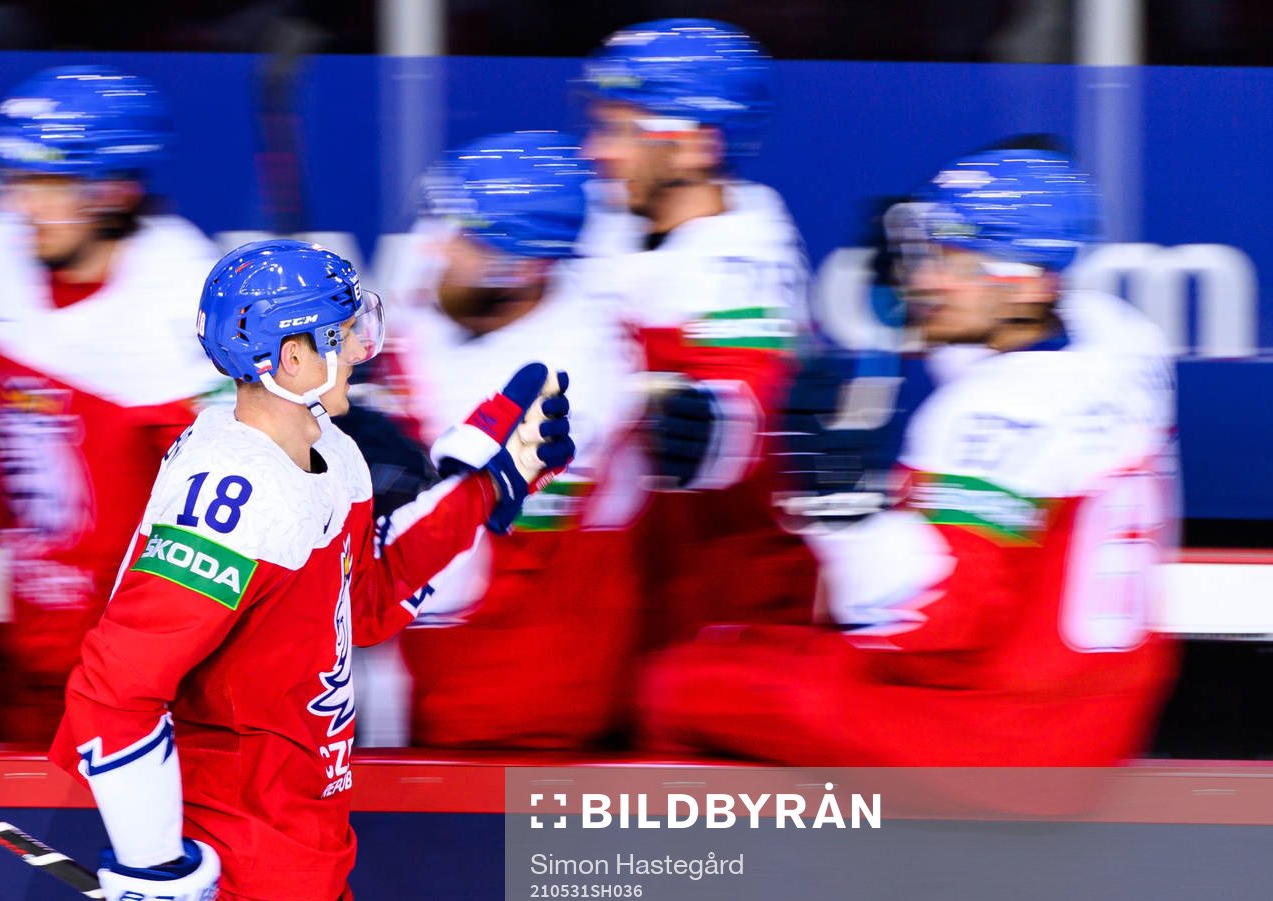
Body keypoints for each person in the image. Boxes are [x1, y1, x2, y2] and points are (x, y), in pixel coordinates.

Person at [47, 240, 573, 901]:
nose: (363, 350)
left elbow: (361, 604)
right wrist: (156, 871)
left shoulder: (323, 456)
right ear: (286, 359)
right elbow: (114, 687)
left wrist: (481, 484)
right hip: (239, 860)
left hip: (309, 848)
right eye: (341, 336)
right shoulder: (229, 490)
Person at [643, 148, 1179, 767]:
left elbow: (923, 628)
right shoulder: (1127, 344)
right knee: (757, 645)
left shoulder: (989, 413)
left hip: (1004, 733)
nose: (923, 278)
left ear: (1027, 281)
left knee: (683, 681)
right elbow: (1022, 347)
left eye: (951, 259)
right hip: (1097, 706)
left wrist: (840, 507)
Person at [0, 65, 224, 746]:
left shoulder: (182, 304)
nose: (19, 206)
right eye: (15, 181)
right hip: (22, 663)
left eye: (45, 184)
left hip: (146, 692)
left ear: (114, 190)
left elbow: (227, 531)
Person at [374, 132, 647, 748]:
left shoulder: (571, 388)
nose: (437, 243)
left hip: (518, 710)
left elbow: (455, 571)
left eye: (464, 232)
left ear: (523, 265)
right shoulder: (467, 294)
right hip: (428, 680)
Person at [578, 18, 818, 662]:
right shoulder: (603, 227)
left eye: (621, 130)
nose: (595, 152)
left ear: (695, 146)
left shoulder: (743, 261)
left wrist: (703, 421)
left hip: (721, 633)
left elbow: (741, 403)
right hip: (619, 624)